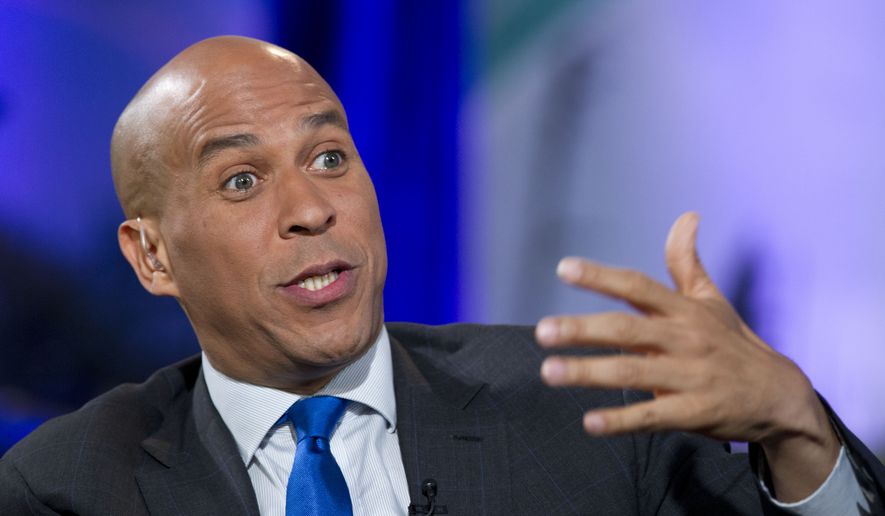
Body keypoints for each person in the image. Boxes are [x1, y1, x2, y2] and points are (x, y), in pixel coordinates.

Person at [0, 35, 882, 515]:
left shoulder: (590, 416)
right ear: (152, 256)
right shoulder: (69, 486)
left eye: (331, 156)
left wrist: (796, 428)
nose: (312, 207)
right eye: (241, 180)